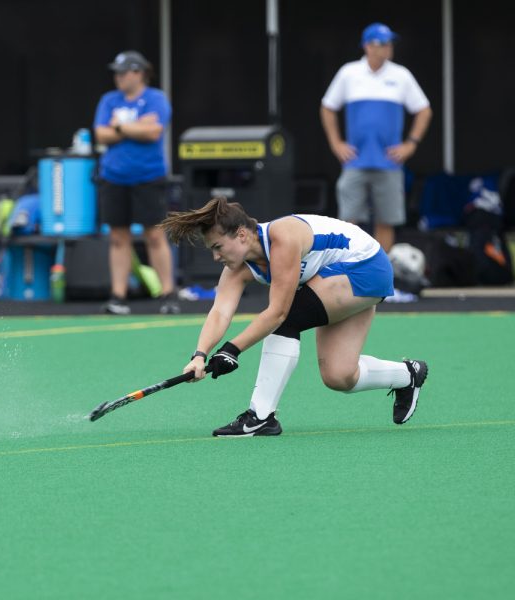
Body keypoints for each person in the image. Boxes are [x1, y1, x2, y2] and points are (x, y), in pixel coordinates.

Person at [161, 198, 428, 437]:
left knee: (287, 318)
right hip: (335, 278)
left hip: (366, 267)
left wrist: (231, 350)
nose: (215, 256)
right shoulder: (236, 268)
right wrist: (200, 355)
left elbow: (278, 312)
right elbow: (220, 312)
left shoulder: (283, 238)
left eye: (218, 247)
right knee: (339, 376)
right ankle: (408, 374)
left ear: (241, 235)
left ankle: (260, 417)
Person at [320, 23, 432, 257]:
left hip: (388, 163)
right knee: (349, 222)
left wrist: (410, 143)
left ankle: (381, 278)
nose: (388, 48)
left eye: (390, 43)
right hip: (355, 162)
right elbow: (328, 107)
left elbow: (424, 110)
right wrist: (336, 143)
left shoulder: (401, 75)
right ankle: (351, 272)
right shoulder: (349, 73)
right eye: (382, 43)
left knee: (386, 220)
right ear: (367, 46)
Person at [93, 50, 178, 315]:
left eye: (123, 72)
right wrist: (134, 127)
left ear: (139, 73)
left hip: (148, 177)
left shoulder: (155, 99)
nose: (118, 78)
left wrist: (119, 127)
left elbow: (153, 132)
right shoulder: (109, 100)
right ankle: (118, 296)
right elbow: (100, 133)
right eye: (116, 73)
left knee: (154, 234)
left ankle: (167, 294)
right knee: (118, 236)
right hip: (114, 177)